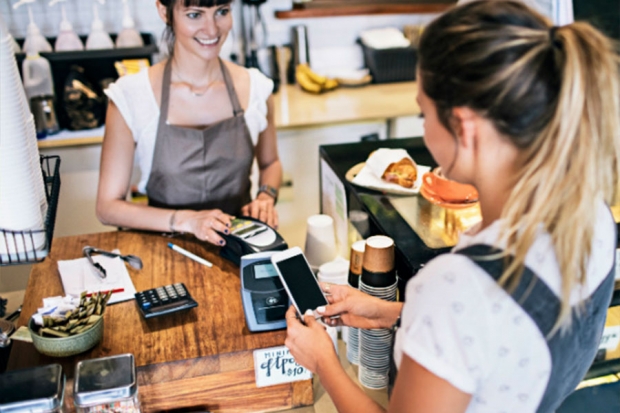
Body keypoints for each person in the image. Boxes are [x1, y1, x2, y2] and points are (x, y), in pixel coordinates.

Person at [284, 1, 620, 412]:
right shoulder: (593, 215)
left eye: (423, 113)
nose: (422, 129)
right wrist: (388, 312)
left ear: (464, 127)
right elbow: (505, 331)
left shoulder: (453, 285)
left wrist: (323, 361)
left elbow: (471, 313)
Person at [96, 0, 281, 246]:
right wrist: (187, 221)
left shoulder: (257, 89)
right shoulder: (131, 96)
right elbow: (108, 207)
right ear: (164, 11)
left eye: (221, 12)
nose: (212, 30)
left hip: (238, 248)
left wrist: (266, 197)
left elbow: (271, 163)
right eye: (195, 15)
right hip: (163, 248)